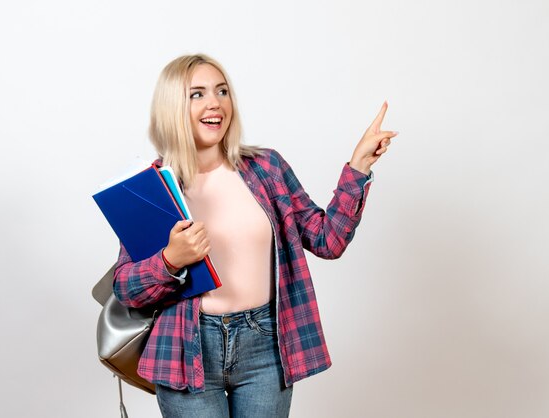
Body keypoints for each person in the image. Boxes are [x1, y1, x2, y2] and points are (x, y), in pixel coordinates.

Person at [113, 54, 397, 418]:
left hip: (265, 344)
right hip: (186, 347)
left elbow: (328, 241)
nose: (215, 102)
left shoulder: (267, 168)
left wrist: (358, 168)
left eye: (222, 91)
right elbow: (127, 288)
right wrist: (170, 260)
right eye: (196, 94)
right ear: (172, 107)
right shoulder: (151, 188)